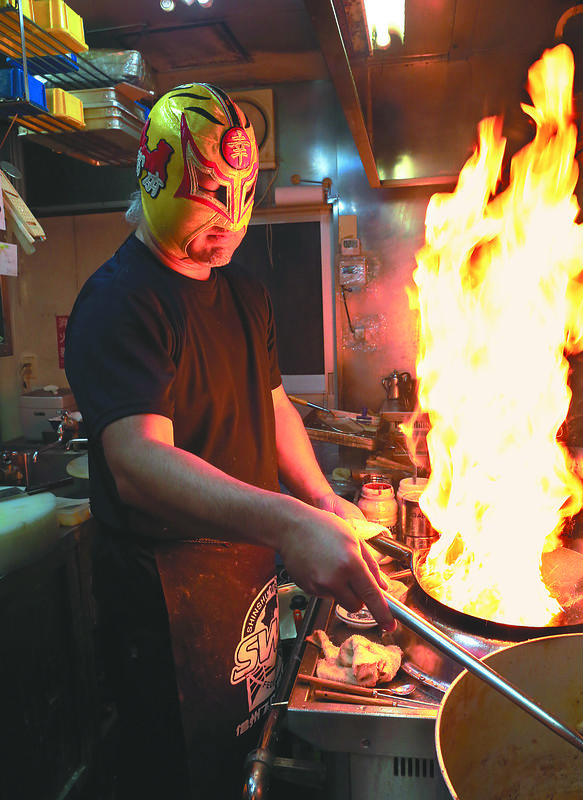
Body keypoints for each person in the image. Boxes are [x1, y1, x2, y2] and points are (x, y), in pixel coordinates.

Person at [65, 82, 395, 800]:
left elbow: (272, 407)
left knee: (246, 767)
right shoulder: (120, 302)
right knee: (180, 780)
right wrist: (288, 522)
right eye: (211, 202)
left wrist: (319, 500)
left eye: (241, 201)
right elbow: (139, 463)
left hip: (243, 586)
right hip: (164, 609)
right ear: (155, 181)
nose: (229, 225)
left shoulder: (245, 292)